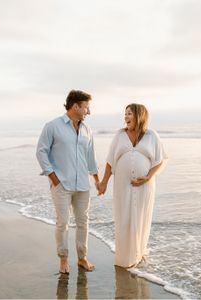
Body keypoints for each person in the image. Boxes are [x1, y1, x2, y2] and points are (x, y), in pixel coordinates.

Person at [36, 90, 99, 274]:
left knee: (83, 222)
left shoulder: (87, 129)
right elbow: (41, 151)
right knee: (62, 223)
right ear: (75, 106)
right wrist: (53, 177)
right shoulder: (53, 126)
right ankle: (63, 260)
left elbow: (90, 157)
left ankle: (82, 258)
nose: (88, 112)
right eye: (86, 107)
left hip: (83, 186)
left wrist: (96, 179)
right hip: (62, 184)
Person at [98, 103, 168, 268]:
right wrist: (104, 183)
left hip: (145, 185)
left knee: (141, 217)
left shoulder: (152, 136)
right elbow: (110, 161)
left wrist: (149, 176)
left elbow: (162, 160)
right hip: (122, 184)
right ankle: (124, 259)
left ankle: (138, 255)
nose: (126, 117)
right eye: (125, 114)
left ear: (139, 116)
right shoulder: (119, 135)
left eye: (129, 114)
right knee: (123, 218)